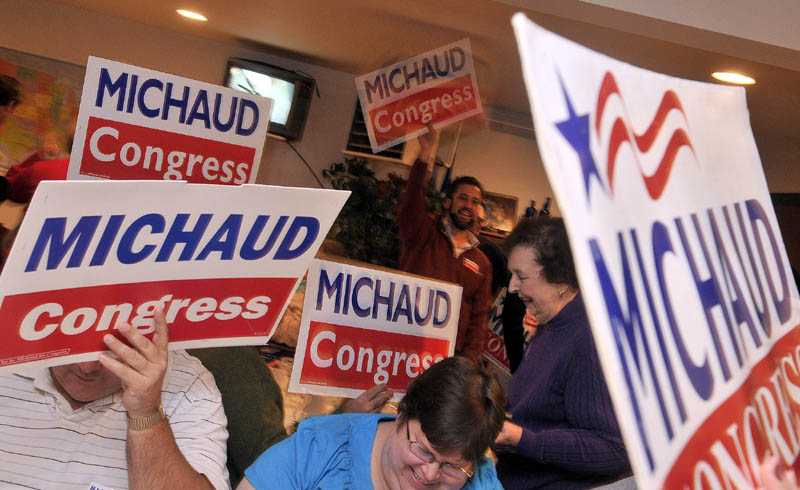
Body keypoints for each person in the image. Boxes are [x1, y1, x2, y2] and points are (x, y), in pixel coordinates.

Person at [0, 309, 229, 490]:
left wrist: (146, 414)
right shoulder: (7, 355)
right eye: (73, 345)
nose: (86, 367)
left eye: (114, 351)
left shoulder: (187, 383)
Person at [493, 218, 630, 489]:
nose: (511, 287)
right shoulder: (551, 323)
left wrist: (521, 439)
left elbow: (614, 449)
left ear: (561, 278)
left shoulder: (588, 341)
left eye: (521, 276)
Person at [238, 356, 507, 490]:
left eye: (452, 466)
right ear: (401, 415)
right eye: (423, 451)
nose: (430, 475)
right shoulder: (319, 448)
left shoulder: (479, 480)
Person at [397, 127, 492, 362]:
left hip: (447, 358)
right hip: (404, 342)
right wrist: (424, 155)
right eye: (463, 198)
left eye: (475, 201)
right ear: (448, 202)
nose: (468, 205)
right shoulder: (423, 232)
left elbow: (478, 320)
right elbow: (410, 204)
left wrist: (466, 365)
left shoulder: (482, 263)